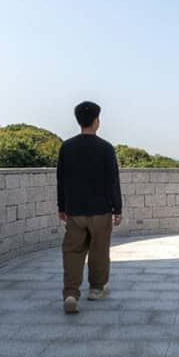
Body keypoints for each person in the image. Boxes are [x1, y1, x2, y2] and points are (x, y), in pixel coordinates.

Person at [56, 101, 122, 314]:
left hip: (75, 209)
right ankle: (96, 289)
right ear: (96, 121)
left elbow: (61, 179)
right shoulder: (105, 148)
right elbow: (113, 180)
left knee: (72, 251)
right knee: (99, 250)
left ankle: (71, 293)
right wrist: (117, 208)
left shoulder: (67, 147)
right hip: (101, 209)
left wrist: (62, 206)